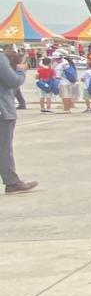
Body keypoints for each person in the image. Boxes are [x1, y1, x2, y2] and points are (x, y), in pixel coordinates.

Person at [1, 47, 37, 194]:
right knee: (4, 149)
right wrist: (21, 71)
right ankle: (12, 182)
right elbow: (13, 81)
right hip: (2, 110)